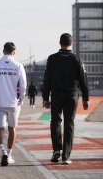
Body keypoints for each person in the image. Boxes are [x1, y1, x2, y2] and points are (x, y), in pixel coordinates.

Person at [42, 33, 89, 165]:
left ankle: (56, 150)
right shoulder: (76, 59)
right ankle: (66, 156)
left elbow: (47, 79)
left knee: (55, 121)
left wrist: (46, 97)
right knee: (69, 124)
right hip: (72, 95)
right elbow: (83, 80)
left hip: (56, 94)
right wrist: (86, 98)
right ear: (71, 43)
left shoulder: (51, 59)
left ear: (59, 43)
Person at [0, 42, 27, 166]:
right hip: (14, 103)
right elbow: (23, 85)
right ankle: (9, 154)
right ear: (14, 52)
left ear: (3, 51)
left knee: (0, 129)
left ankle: (2, 150)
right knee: (12, 129)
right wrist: (21, 99)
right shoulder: (19, 66)